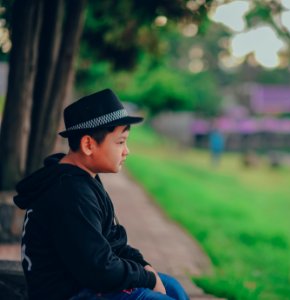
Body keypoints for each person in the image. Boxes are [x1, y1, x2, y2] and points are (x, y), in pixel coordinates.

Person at [13, 89, 189, 300]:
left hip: (85, 281)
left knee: (172, 287)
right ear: (88, 144)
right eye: (120, 142)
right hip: (70, 292)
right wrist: (147, 279)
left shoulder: (84, 180)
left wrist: (144, 267)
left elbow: (114, 240)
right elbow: (99, 270)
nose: (127, 151)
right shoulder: (70, 194)